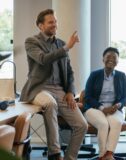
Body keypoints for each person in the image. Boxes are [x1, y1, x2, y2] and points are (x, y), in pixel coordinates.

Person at [19, 9, 88, 160]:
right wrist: (67, 48)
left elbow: (69, 72)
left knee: (82, 125)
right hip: (39, 89)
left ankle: (69, 157)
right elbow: (43, 59)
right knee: (50, 103)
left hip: (60, 90)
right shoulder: (32, 42)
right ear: (40, 25)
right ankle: (54, 154)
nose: (54, 25)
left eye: (55, 22)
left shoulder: (61, 44)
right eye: (51, 22)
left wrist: (70, 91)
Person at [84, 47, 126, 160]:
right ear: (103, 59)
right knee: (103, 124)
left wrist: (118, 105)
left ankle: (109, 154)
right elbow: (88, 97)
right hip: (94, 108)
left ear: (118, 61)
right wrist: (102, 108)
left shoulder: (121, 76)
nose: (111, 59)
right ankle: (102, 155)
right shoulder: (94, 75)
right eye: (108, 57)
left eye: (115, 57)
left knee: (117, 122)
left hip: (114, 109)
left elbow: (125, 97)